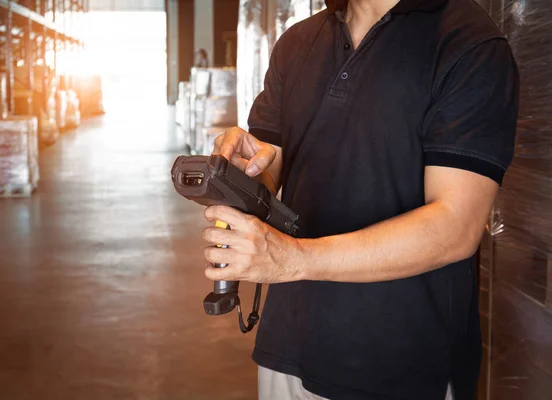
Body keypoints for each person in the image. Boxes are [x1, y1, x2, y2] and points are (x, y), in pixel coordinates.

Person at [200, 0, 520, 399]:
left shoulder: (469, 44)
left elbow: (456, 226)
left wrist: (296, 259)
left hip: (402, 366)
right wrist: (241, 172)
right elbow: (271, 164)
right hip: (290, 346)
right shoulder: (298, 41)